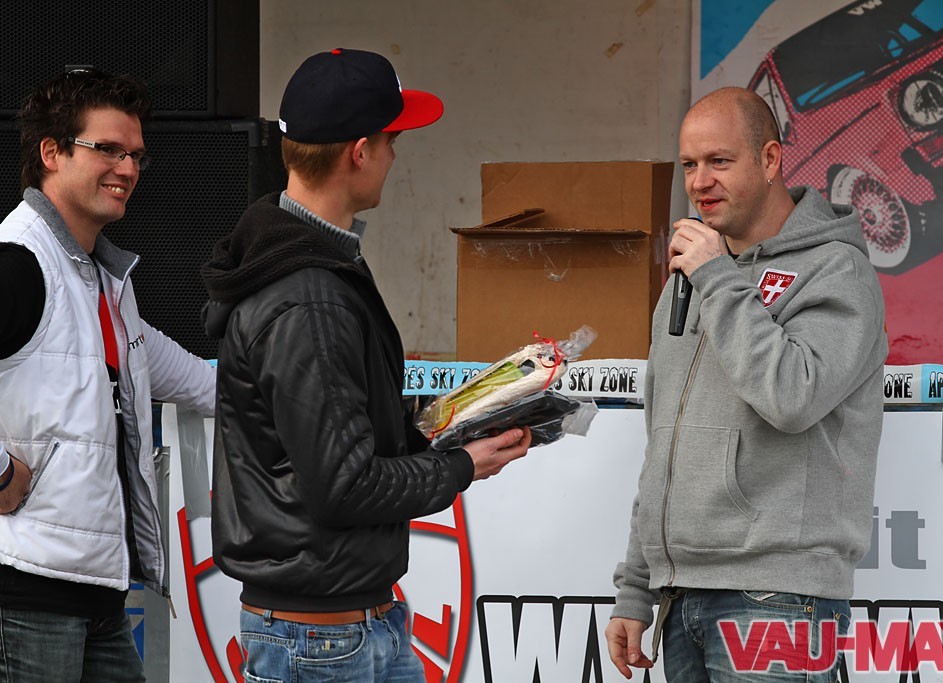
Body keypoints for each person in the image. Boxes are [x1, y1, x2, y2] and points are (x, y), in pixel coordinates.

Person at [200, 48, 532, 683]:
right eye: (391, 141)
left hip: (352, 626)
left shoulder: (313, 270)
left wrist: (461, 418)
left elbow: (345, 440)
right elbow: (344, 486)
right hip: (319, 641)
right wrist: (462, 465)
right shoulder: (307, 297)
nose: (395, 157)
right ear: (359, 152)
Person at [606, 86, 888, 681]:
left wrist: (717, 278)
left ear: (769, 159)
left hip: (779, 597)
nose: (700, 182)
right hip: (681, 595)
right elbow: (664, 445)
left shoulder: (836, 270)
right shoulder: (691, 277)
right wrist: (636, 588)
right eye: (689, 164)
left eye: (719, 161)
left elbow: (792, 397)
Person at [0, 69, 217, 682]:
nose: (128, 168)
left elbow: (181, 372)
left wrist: (295, 397)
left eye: (136, 155)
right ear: (51, 152)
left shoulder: (97, 275)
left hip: (96, 592)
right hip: (24, 591)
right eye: (109, 149)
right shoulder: (19, 261)